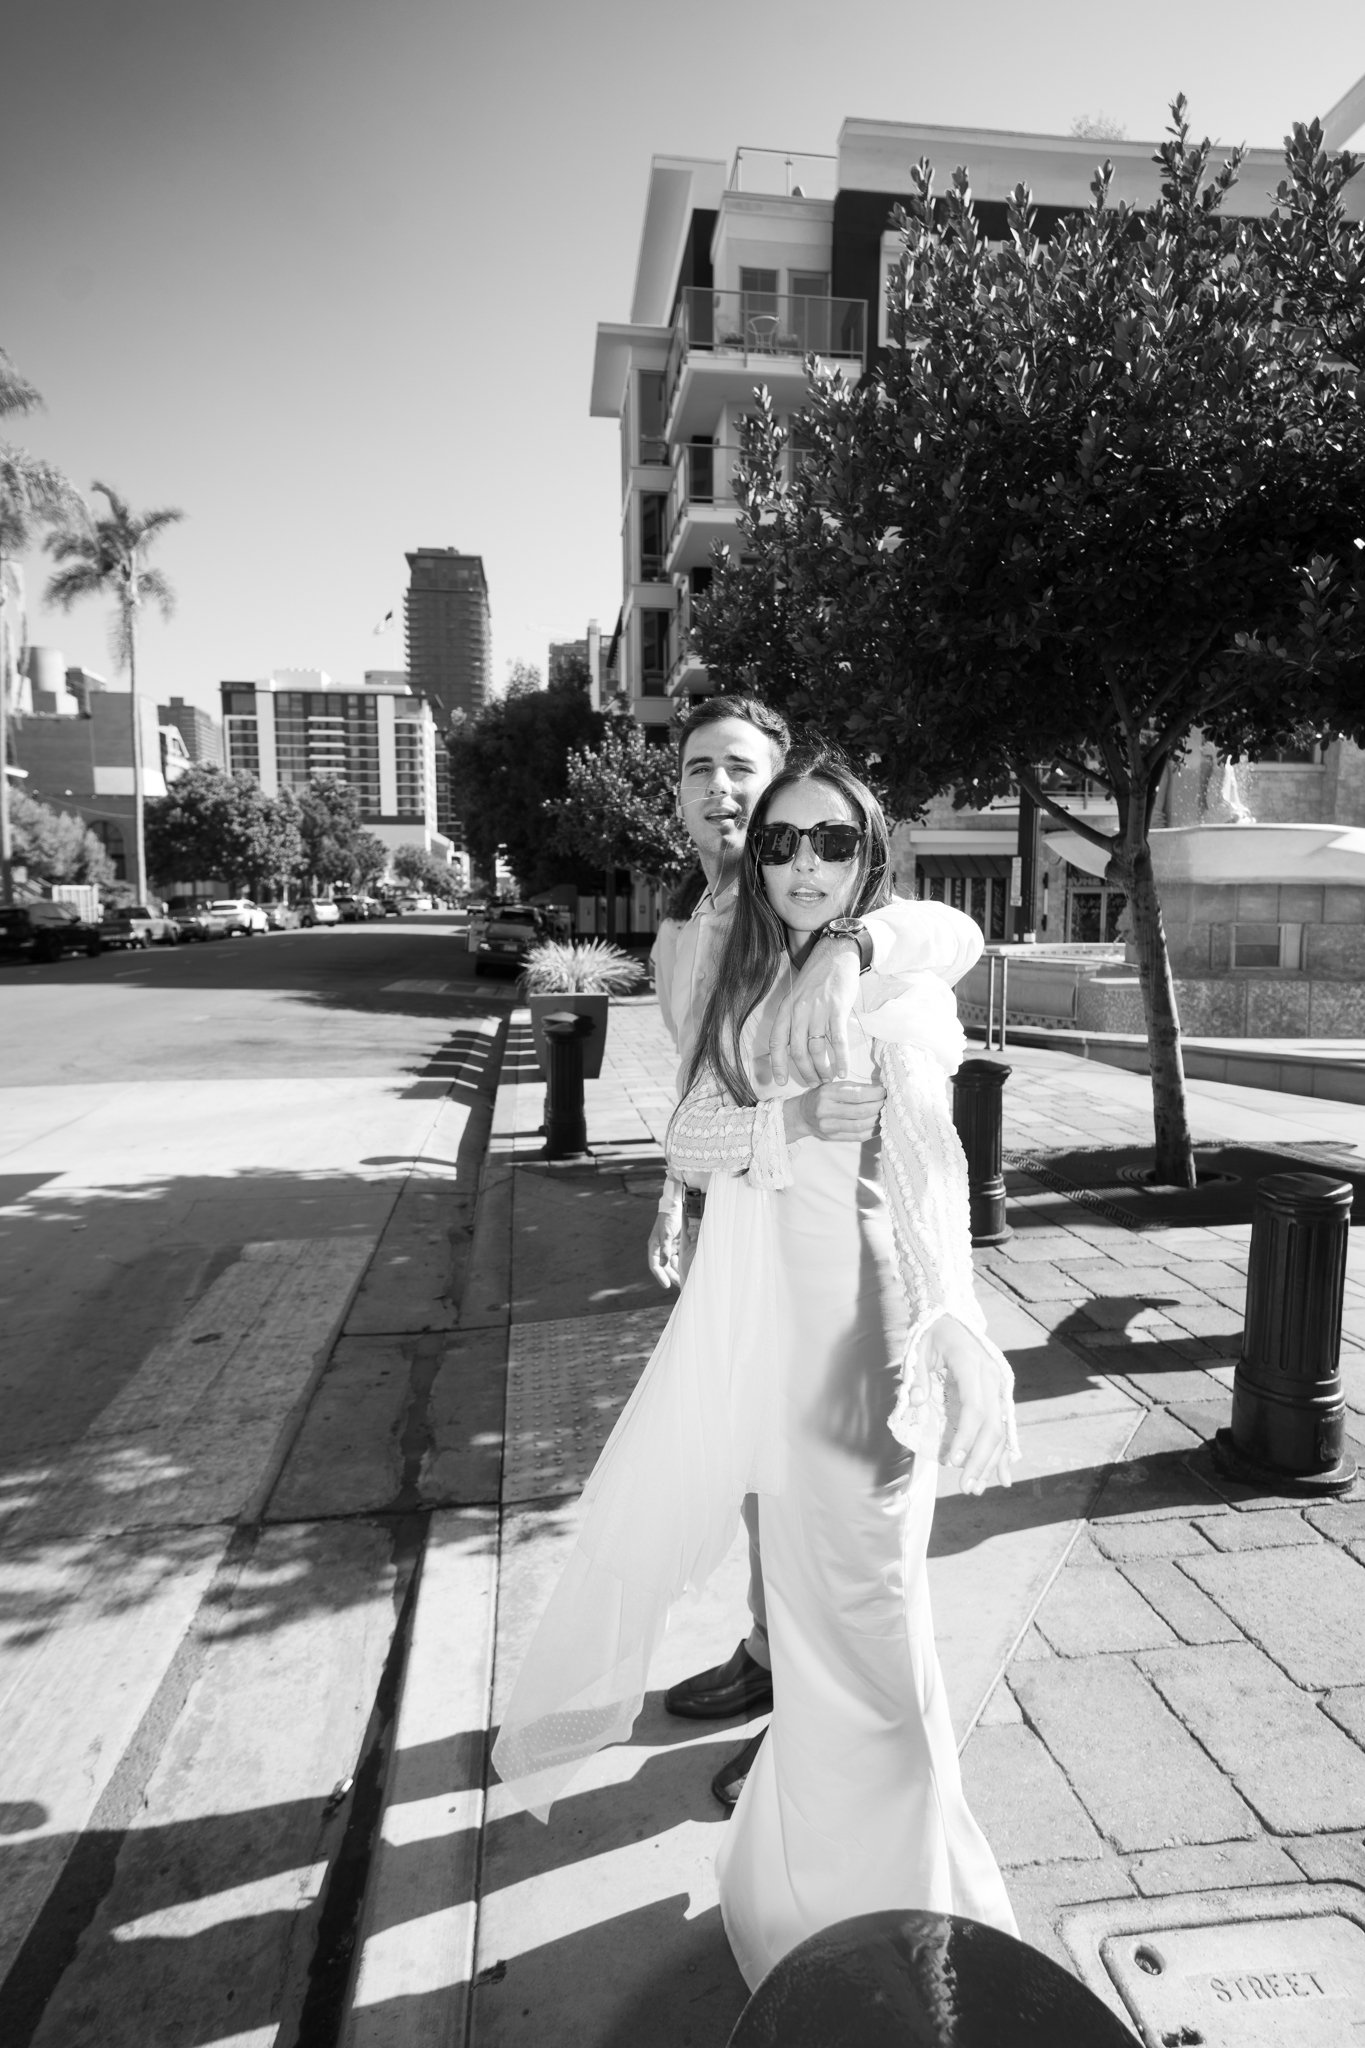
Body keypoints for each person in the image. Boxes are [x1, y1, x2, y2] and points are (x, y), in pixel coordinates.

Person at [492, 747, 1018, 1989]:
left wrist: (954, 1315)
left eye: (832, 842)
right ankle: (800, 1894)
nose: (801, 863)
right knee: (816, 1627)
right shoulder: (745, 966)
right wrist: (780, 1116)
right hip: (765, 1340)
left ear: (868, 853)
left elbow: (933, 1166)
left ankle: (904, 1914)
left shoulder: (882, 972)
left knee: (876, 1630)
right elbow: (689, 1131)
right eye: (782, 841)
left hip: (857, 1344)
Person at [646, 696, 984, 1808]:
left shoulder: (852, 929)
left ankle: (822, 1728)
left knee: (858, 1553)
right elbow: (701, 1097)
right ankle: (775, 1666)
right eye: (699, 769)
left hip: (854, 1297)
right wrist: (686, 1188)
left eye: (746, 771)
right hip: (749, 1253)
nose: (725, 795)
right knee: (769, 1492)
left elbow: (950, 935)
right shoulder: (697, 929)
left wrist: (849, 944)